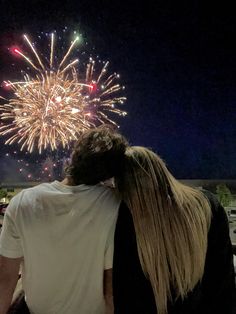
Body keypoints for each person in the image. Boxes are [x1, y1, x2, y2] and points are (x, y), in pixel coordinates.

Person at [0, 125, 128, 314]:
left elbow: (6, 277)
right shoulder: (114, 205)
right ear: (110, 172)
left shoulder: (22, 202)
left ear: (74, 157)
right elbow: (110, 287)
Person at [112, 146, 236, 314]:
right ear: (161, 169)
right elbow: (222, 281)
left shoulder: (122, 217)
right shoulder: (206, 206)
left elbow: (122, 290)